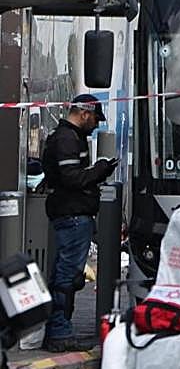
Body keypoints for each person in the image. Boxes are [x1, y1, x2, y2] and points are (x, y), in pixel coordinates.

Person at [41, 94, 117, 352]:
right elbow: (72, 178)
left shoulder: (70, 137)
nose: (96, 125)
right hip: (72, 215)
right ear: (84, 113)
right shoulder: (66, 139)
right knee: (67, 275)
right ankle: (59, 332)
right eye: (95, 118)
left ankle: (61, 329)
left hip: (72, 214)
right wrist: (101, 170)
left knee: (69, 274)